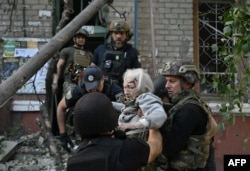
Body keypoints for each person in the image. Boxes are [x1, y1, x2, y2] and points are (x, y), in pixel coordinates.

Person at [66, 92, 162, 171]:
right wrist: (151, 119)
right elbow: (155, 148)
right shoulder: (126, 149)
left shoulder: (73, 161)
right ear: (110, 118)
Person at [158, 60, 217, 171]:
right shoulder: (188, 104)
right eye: (166, 81)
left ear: (187, 83)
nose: (167, 86)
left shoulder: (188, 110)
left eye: (172, 81)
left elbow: (170, 149)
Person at [57, 65, 123, 152]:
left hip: (107, 126)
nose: (93, 90)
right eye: (90, 87)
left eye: (96, 86)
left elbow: (126, 110)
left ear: (102, 80)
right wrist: (63, 134)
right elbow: (61, 108)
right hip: (86, 126)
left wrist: (120, 129)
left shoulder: (113, 90)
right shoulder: (79, 89)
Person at [113, 68, 167, 139]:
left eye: (131, 87)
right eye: (125, 88)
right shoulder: (135, 100)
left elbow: (160, 115)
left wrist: (132, 125)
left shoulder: (145, 97)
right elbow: (127, 108)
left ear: (142, 87)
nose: (126, 92)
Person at [91, 19, 141, 88]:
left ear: (126, 34)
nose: (118, 36)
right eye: (116, 33)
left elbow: (138, 76)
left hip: (123, 92)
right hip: (102, 91)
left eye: (121, 33)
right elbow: (92, 71)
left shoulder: (132, 52)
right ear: (111, 34)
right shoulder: (100, 49)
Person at [52, 28, 93, 96]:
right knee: (68, 102)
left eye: (83, 37)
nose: (81, 39)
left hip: (84, 85)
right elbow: (59, 66)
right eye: (78, 37)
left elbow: (92, 69)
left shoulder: (89, 55)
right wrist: (55, 82)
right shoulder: (66, 51)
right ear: (74, 39)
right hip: (69, 84)